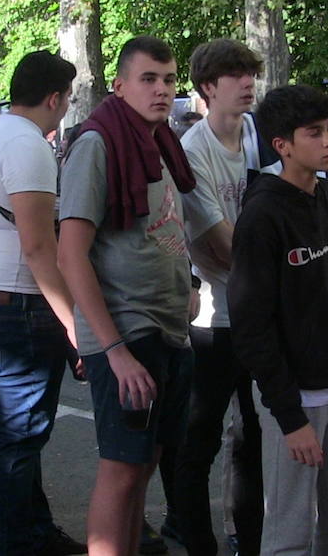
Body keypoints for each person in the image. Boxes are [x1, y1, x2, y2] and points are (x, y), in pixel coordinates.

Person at [58, 36, 196, 556]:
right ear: (119, 86)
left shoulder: (160, 140)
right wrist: (114, 351)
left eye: (168, 80)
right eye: (148, 79)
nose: (161, 90)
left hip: (167, 329)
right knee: (120, 471)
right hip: (126, 334)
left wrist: (192, 286)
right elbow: (70, 255)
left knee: (144, 466)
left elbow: (170, 230)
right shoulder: (98, 143)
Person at [228, 84, 328, 556]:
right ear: (282, 145)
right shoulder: (262, 215)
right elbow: (251, 326)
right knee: (288, 536)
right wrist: (290, 418)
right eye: (315, 132)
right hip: (296, 398)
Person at [0, 51, 85, 556]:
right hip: (16, 299)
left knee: (21, 428)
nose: (66, 109)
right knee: (21, 433)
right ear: (54, 98)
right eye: (68, 99)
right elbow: (38, 247)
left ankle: (33, 531)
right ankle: (16, 542)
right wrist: (75, 322)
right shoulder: (28, 145)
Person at [172, 38, 266, 556]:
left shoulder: (260, 136)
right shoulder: (192, 151)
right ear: (208, 87)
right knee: (200, 439)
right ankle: (194, 538)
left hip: (262, 312)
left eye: (250, 73)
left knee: (254, 436)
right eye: (235, 74)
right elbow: (221, 244)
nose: (247, 82)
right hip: (214, 314)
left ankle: (248, 539)